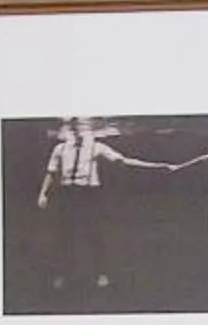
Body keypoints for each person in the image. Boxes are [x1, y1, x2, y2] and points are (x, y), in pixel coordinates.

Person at [30, 116, 169, 293]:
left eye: (83, 127)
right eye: (77, 127)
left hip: (89, 194)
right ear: (72, 129)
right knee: (65, 236)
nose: (80, 131)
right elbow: (50, 172)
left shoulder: (97, 147)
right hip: (67, 194)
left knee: (93, 234)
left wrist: (158, 166)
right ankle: (63, 274)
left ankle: (101, 273)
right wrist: (43, 193)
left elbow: (123, 160)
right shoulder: (60, 148)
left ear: (88, 130)